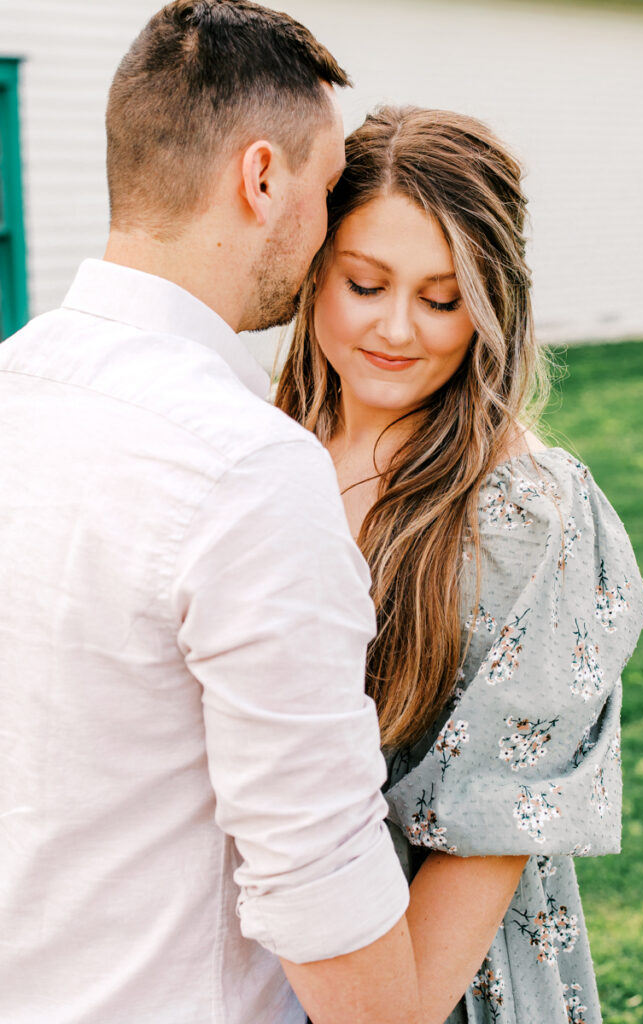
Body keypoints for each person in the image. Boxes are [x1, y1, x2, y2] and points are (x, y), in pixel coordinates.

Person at [0, 6, 427, 1024]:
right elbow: (317, 873)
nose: (323, 228)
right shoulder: (245, 468)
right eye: (326, 189)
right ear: (262, 176)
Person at [276, 105, 643, 1024]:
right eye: (365, 284)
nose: (397, 329)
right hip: (260, 944)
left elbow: (490, 829)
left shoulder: (525, 514)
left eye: (442, 300)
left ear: (491, 303)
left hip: (431, 971)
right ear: (315, 271)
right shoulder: (257, 450)